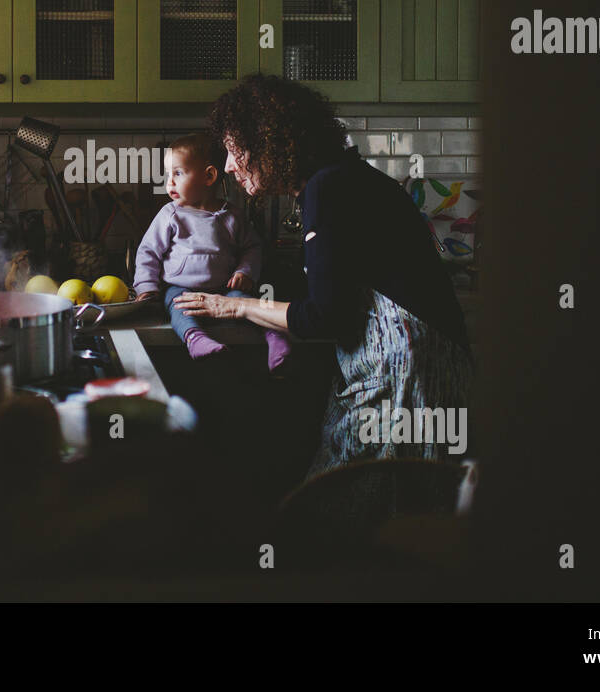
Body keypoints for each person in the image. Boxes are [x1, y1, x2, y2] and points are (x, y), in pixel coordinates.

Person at [174, 74, 474, 476]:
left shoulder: (327, 188)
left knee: (363, 516)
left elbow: (322, 316)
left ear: (269, 143)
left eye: (234, 149)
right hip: (417, 369)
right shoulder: (338, 178)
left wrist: (234, 307)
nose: (228, 164)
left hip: (410, 377)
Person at [132, 134, 291, 370]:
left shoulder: (232, 216)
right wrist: (146, 288)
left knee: (252, 304)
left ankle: (275, 337)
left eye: (178, 173)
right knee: (178, 307)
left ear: (209, 176)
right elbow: (148, 253)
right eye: (168, 175)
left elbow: (252, 247)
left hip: (223, 292)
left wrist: (245, 272)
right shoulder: (170, 214)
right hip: (181, 288)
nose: (169, 183)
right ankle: (195, 340)